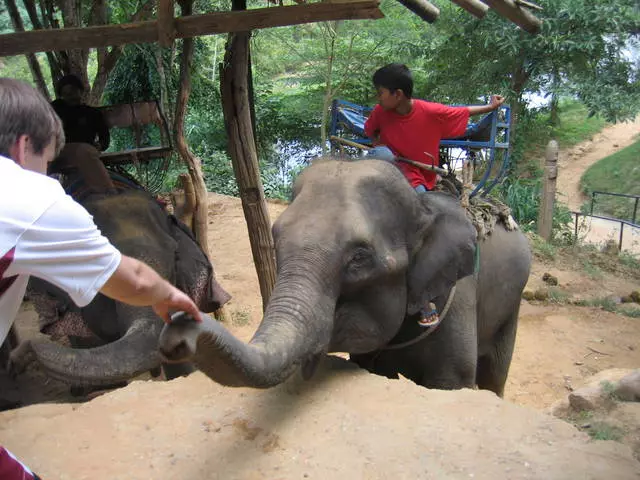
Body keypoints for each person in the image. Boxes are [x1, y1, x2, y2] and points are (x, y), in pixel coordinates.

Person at [0, 76, 203, 478]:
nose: (45, 175)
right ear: (24, 146)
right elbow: (137, 281)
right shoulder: (30, 197)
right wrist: (168, 297)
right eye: (45, 162)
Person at [364, 63, 505, 193]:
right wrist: (379, 144)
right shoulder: (379, 111)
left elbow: (463, 111)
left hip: (417, 173)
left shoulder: (430, 112)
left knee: (420, 199)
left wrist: (490, 107)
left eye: (381, 92)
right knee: (382, 154)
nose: (378, 97)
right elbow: (370, 131)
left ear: (398, 94)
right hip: (389, 167)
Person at [50, 74, 110, 151]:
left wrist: (99, 146)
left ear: (81, 91)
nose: (70, 96)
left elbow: (105, 137)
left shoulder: (92, 113)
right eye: (65, 94)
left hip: (85, 152)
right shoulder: (57, 109)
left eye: (73, 92)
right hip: (62, 154)